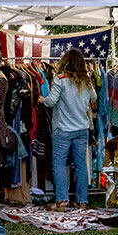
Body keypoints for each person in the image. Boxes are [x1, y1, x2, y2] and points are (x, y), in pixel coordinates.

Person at [42, 48, 96, 210]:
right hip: (82, 129)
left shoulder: (60, 79)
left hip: (62, 129)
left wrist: (41, 100)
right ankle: (82, 201)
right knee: (81, 165)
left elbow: (51, 101)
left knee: (59, 164)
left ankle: (62, 200)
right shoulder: (85, 80)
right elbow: (94, 98)